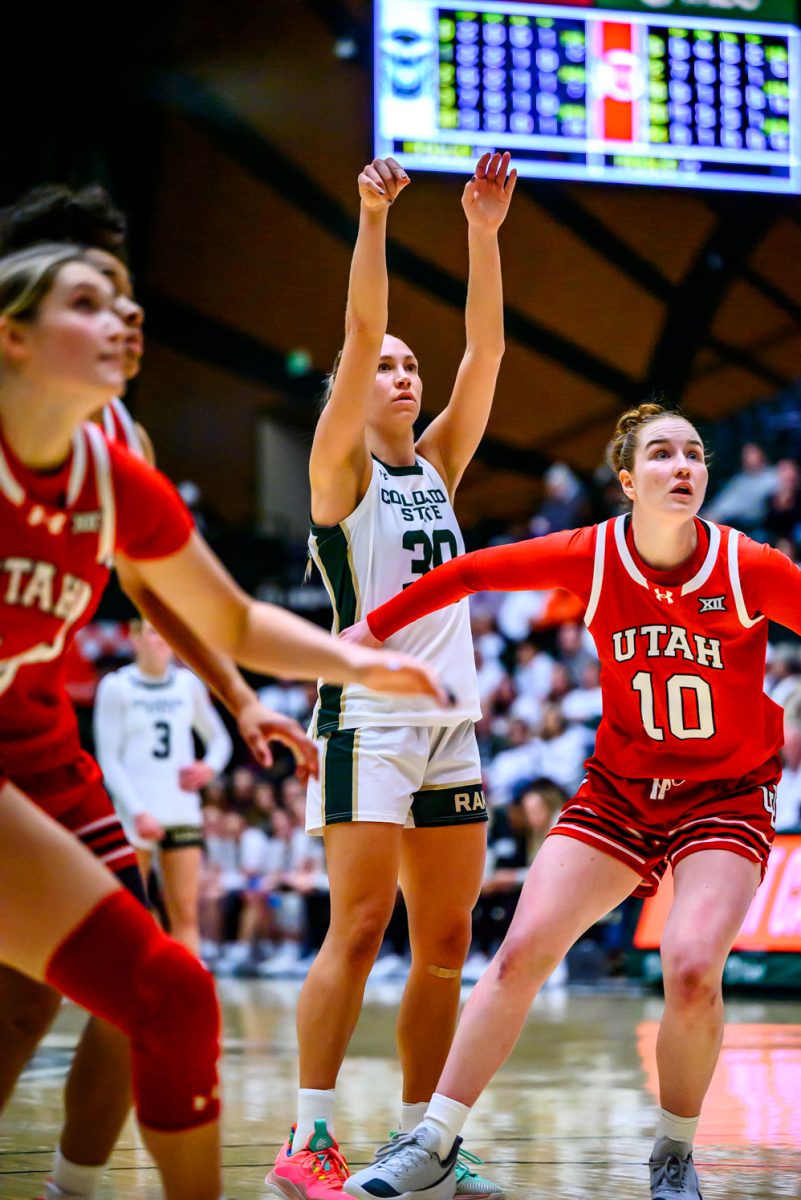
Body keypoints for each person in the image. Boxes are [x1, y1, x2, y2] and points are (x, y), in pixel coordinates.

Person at [0, 242, 443, 1200]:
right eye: (89, 301)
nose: (125, 317)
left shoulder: (117, 471)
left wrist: (346, 662)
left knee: (156, 990)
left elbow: (232, 618)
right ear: (14, 338)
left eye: (127, 297)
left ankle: (71, 1189)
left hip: (32, 749)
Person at [342, 402, 801, 1200]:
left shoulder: (749, 565)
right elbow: (468, 571)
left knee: (691, 969)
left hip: (723, 797)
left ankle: (673, 1153)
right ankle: (435, 1140)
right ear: (626, 481)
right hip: (619, 792)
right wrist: (370, 630)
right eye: (661, 454)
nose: (682, 466)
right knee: (519, 954)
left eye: (693, 453)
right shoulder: (590, 556)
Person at [265, 151, 517, 1200]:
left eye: (413, 367)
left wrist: (483, 233)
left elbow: (487, 354)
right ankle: (310, 1138)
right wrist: (373, 220)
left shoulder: (440, 468)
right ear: (346, 390)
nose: (404, 373)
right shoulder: (341, 471)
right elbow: (361, 330)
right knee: (360, 927)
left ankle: (424, 1147)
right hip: (366, 712)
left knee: (448, 943)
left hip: (450, 723)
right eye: (386, 366)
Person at [94, 619, 233, 955]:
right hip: (136, 813)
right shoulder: (117, 686)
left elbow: (220, 740)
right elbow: (109, 759)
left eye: (165, 634)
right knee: (131, 915)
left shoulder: (187, 684)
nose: (160, 641)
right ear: (135, 639)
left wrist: (208, 767)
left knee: (185, 912)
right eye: (153, 633)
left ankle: (186, 995)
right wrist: (138, 812)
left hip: (181, 809)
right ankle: (130, 990)